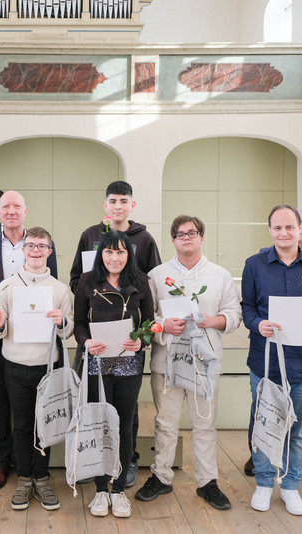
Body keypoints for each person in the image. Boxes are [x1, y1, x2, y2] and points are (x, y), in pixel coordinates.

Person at [136, 215, 241, 510]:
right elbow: (146, 318)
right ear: (173, 240)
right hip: (167, 362)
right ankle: (161, 477)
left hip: (205, 363)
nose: (186, 238)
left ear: (201, 237)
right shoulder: (156, 275)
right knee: (165, 423)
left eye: (192, 233)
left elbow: (234, 314)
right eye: (180, 234)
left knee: (205, 425)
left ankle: (208, 482)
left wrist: (213, 320)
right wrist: (162, 326)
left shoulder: (220, 276)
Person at [241, 205, 302, 516]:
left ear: (300, 229)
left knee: (299, 429)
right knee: (265, 423)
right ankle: (265, 482)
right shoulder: (254, 265)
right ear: (270, 230)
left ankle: (291, 485)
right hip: (264, 362)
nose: (284, 233)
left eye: (290, 227)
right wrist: (258, 325)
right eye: (278, 228)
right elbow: (248, 309)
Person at [68, 180, 161, 487]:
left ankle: (123, 466)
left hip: (128, 358)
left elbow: (149, 312)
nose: (114, 257)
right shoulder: (89, 237)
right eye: (113, 201)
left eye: (124, 201)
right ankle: (96, 466)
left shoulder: (145, 240)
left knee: (125, 414)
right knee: (96, 413)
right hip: (96, 352)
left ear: (131, 205)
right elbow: (76, 294)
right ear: (105, 205)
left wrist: (140, 338)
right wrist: (93, 292)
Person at [0, 190, 58, 490]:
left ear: (26, 211)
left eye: (16, 206)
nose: (10, 211)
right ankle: (1, 460)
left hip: (32, 341)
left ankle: (30, 462)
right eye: (5, 206)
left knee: (31, 405)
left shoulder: (41, 243)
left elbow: (51, 288)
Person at [0, 227, 73, 511]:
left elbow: (68, 331)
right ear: (23, 249)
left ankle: (42, 477)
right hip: (16, 366)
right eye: (31, 245)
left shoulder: (61, 290)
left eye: (42, 246)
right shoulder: (6, 286)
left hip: (48, 368)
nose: (36, 250)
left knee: (44, 427)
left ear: (50, 251)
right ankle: (24, 477)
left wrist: (62, 322)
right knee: (22, 424)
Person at [74, 230, 154, 519]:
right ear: (101, 255)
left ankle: (118, 489)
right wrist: (85, 342)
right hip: (96, 364)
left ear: (128, 255)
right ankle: (99, 489)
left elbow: (151, 324)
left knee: (123, 425)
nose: (114, 257)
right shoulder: (87, 281)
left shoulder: (141, 282)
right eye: (109, 252)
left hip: (129, 365)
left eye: (121, 252)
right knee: (99, 423)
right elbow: (79, 324)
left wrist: (141, 341)